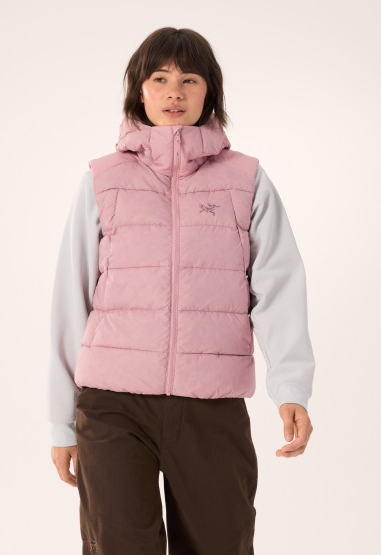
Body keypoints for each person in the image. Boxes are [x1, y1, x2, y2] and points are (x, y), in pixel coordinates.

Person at [47, 27, 315, 555]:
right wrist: (62, 422)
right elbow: (70, 299)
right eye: (160, 78)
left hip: (211, 406)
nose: (174, 92)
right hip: (113, 405)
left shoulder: (246, 180)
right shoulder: (103, 180)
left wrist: (291, 388)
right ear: (139, 90)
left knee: (221, 544)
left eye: (189, 79)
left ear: (209, 91)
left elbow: (279, 286)